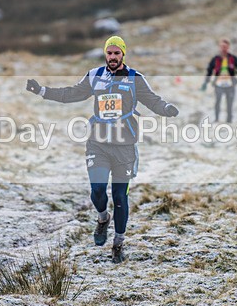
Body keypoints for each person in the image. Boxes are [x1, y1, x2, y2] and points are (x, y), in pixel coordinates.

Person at [26, 36, 179, 263]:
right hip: (97, 143)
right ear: (105, 54)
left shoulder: (135, 78)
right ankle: (102, 218)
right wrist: (42, 91)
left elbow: (152, 100)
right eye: (110, 53)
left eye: (117, 53)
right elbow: (71, 94)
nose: (113, 57)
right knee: (97, 190)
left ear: (123, 55)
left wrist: (166, 109)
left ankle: (118, 243)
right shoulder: (95, 75)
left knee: (119, 197)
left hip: (124, 147)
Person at [201, 38, 237, 123]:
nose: (223, 48)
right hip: (218, 84)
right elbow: (209, 71)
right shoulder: (215, 59)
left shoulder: (233, 58)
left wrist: (234, 70)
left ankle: (229, 120)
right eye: (222, 46)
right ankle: (217, 119)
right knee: (217, 102)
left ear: (228, 47)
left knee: (229, 103)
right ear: (219, 47)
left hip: (230, 84)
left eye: (225, 46)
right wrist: (206, 82)